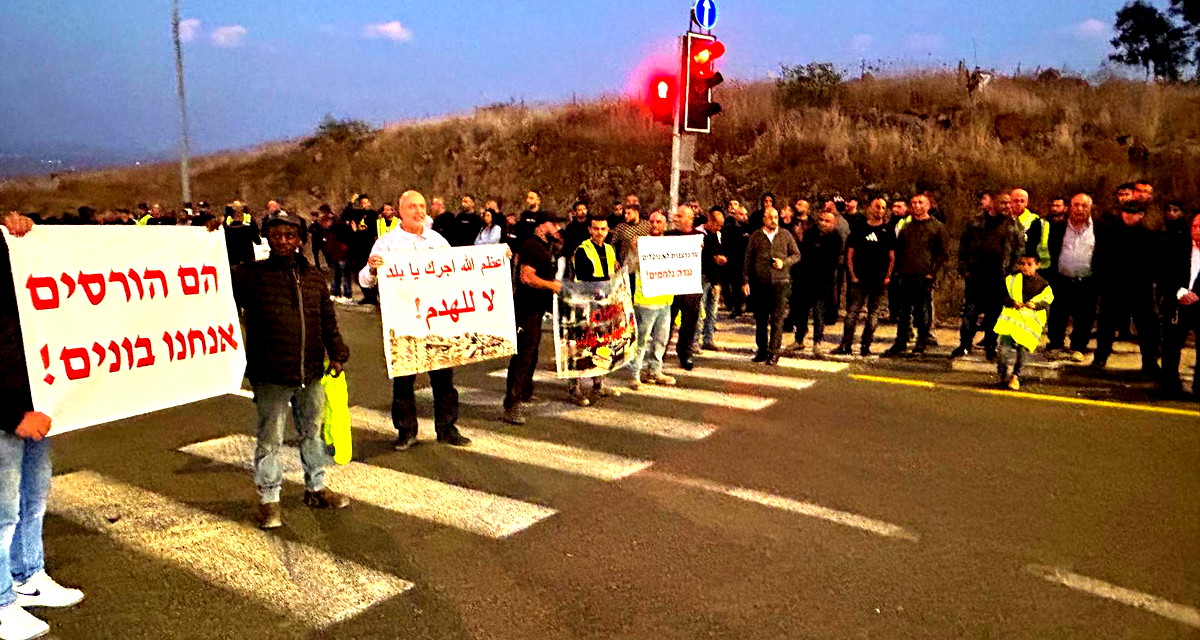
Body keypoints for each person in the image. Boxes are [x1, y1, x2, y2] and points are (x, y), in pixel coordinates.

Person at [232, 211, 352, 529]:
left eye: (290, 235)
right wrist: (209, 237)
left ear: (300, 239)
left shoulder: (314, 277)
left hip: (311, 370)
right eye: (276, 235)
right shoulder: (250, 275)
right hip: (270, 373)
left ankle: (316, 488)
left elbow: (327, 318)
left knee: (312, 434)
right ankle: (269, 499)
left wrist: (338, 353)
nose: (283, 241)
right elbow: (210, 278)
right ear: (268, 238)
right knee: (270, 440)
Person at [0, 212, 85, 640]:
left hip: (35, 403)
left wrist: (30, 237)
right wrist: (10, 413)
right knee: (0, 512)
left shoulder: (12, 244)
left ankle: (27, 575)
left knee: (32, 500)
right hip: (9, 414)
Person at [361, 192, 472, 450]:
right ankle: (406, 431)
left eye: (422, 206)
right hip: (403, 322)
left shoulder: (438, 241)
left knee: (444, 378)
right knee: (404, 380)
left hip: (437, 320)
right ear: (401, 211)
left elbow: (460, 272)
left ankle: (447, 428)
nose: (419, 211)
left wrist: (497, 260)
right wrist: (372, 268)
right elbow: (364, 281)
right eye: (412, 206)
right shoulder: (386, 244)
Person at [501, 209, 566, 426]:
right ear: (542, 225)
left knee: (532, 351)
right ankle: (512, 403)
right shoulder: (531, 246)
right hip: (526, 308)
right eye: (554, 224)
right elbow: (526, 277)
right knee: (523, 355)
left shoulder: (542, 246)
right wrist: (552, 286)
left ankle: (526, 391)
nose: (557, 229)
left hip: (535, 308)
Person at [1092, 201, 1162, 374]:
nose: (1129, 216)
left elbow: (1156, 264)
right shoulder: (1110, 233)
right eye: (1126, 212)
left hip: (1140, 289)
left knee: (1147, 327)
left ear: (1141, 215)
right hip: (1113, 287)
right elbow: (1098, 259)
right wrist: (1102, 281)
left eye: (1134, 213)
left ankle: (1149, 361)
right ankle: (1100, 357)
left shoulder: (1149, 237)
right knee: (1106, 326)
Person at [952, 191, 1023, 359]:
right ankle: (964, 344)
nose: (1007, 206)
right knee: (970, 312)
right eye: (1003, 203)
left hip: (1000, 276)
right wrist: (964, 268)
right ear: (992, 203)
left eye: (1009, 203)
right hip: (976, 275)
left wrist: (1012, 272)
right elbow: (963, 247)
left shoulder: (1014, 225)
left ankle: (990, 345)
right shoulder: (975, 222)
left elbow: (1019, 251)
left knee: (994, 313)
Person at [567, 217, 624, 405]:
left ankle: (598, 384)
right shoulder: (583, 250)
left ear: (608, 230)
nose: (600, 232)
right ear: (590, 230)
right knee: (580, 346)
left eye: (603, 229)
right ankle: (574, 388)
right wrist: (608, 280)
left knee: (602, 344)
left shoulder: (609, 249)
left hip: (604, 305)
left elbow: (613, 272)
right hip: (584, 304)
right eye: (596, 229)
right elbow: (585, 277)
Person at [885, 194, 947, 356]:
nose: (916, 206)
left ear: (928, 205)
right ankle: (901, 342)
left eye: (920, 203)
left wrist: (932, 273)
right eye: (913, 203)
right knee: (903, 311)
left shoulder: (937, 227)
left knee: (922, 310)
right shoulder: (907, 226)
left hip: (924, 275)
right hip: (905, 274)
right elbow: (899, 250)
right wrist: (897, 271)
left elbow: (942, 254)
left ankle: (921, 342)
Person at [835, 197, 894, 356]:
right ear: (869, 208)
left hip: (879, 279)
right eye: (877, 206)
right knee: (853, 312)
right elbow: (850, 253)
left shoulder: (887, 231)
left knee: (873, 313)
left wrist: (888, 276)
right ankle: (845, 344)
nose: (879, 210)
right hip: (859, 278)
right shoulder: (859, 228)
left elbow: (892, 256)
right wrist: (852, 274)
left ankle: (865, 346)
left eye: (883, 207)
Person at [625, 210, 676, 389]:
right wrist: (633, 251)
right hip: (645, 300)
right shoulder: (640, 244)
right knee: (642, 340)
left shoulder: (671, 244)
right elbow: (629, 268)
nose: (655, 225)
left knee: (661, 340)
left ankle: (655, 370)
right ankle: (635, 374)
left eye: (659, 222)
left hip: (665, 300)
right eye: (652, 222)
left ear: (665, 225)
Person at [743, 207, 800, 365]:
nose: (774, 220)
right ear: (764, 219)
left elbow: (796, 255)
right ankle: (762, 350)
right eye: (770, 217)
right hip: (760, 283)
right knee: (761, 319)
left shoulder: (785, 235)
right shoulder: (756, 236)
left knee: (777, 319)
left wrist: (784, 263)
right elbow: (748, 259)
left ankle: (774, 352)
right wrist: (745, 280)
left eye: (776, 217)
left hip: (780, 282)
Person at [1045, 193, 1099, 361]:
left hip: (1087, 281)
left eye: (1084, 206)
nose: (1079, 209)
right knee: (1058, 313)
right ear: (1069, 208)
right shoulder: (1057, 227)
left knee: (1085, 315)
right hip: (1062, 279)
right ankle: (1055, 344)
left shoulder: (1099, 229)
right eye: (1076, 205)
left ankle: (1078, 347)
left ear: (1090, 208)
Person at [993, 254, 1054, 390]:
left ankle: (1015, 376)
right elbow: (1000, 295)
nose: (1025, 267)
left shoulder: (1043, 285)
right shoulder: (1012, 279)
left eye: (1029, 264)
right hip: (1011, 324)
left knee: (1022, 353)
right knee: (1003, 352)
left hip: (1028, 326)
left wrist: (1035, 305)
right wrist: (1011, 302)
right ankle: (1002, 375)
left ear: (1038, 266)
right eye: (1022, 263)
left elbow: (1047, 301)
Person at [1159, 211, 1200, 400]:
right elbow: (1166, 272)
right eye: (1194, 226)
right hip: (1178, 303)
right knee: (1171, 346)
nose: (1196, 231)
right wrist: (1180, 292)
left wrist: (1197, 295)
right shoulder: (1178, 246)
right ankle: (1170, 385)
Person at [791, 210, 843, 356]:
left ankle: (817, 342)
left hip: (822, 280)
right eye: (821, 219)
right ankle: (799, 339)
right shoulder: (811, 233)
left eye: (827, 221)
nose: (822, 223)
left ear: (834, 223)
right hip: (805, 278)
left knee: (819, 312)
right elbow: (803, 252)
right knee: (802, 310)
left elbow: (830, 260)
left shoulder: (835, 238)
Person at [666, 205, 703, 370]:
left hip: (691, 287)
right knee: (667, 322)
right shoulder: (668, 236)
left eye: (680, 216)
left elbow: (708, 261)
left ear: (690, 219)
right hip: (672, 287)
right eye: (676, 216)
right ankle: (661, 352)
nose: (676, 219)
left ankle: (685, 354)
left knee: (689, 322)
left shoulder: (700, 237)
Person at [699, 207, 728, 351]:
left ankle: (708, 338)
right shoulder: (699, 233)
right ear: (710, 220)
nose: (719, 228)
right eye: (717, 224)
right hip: (702, 276)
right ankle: (694, 340)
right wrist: (713, 258)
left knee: (712, 311)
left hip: (714, 278)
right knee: (700, 311)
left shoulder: (718, 235)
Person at [723, 200, 751, 317]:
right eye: (741, 214)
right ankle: (736, 307)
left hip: (746, 260)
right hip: (734, 260)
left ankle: (748, 305)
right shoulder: (729, 228)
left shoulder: (749, 229)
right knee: (735, 285)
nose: (744, 217)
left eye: (745, 214)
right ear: (735, 215)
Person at [222, 202, 261, 267]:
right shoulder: (249, 221)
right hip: (246, 256)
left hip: (232, 257)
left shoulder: (226, 222)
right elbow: (257, 240)